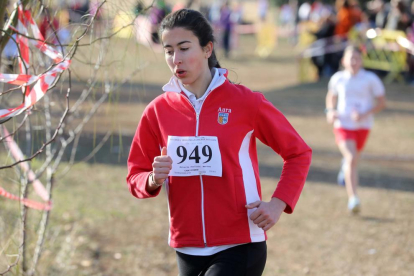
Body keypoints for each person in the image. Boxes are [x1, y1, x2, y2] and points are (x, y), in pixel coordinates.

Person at [126, 9, 312, 276]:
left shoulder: (246, 102)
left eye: (184, 47)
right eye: (168, 50)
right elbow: (135, 176)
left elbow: (298, 153)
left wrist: (278, 203)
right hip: (186, 247)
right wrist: (153, 179)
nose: (176, 59)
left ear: (207, 48)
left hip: (240, 242)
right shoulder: (157, 111)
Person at [325, 46, 386, 214]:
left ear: (361, 60)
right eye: (350, 58)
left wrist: (364, 114)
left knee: (352, 159)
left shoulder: (370, 79)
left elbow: (381, 102)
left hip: (363, 126)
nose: (353, 62)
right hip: (343, 125)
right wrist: (330, 111)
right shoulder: (338, 78)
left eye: (357, 58)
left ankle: (344, 167)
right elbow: (331, 96)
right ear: (343, 61)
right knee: (351, 158)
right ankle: (353, 198)